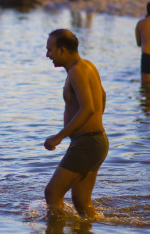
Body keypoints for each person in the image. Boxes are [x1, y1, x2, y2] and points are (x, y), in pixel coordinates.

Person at [44, 29, 108, 218]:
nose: (47, 55)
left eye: (50, 50)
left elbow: (87, 108)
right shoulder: (87, 65)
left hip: (87, 143)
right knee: (81, 202)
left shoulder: (77, 70)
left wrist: (59, 137)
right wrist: (95, 126)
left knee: (52, 193)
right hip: (95, 141)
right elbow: (102, 96)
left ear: (62, 50)